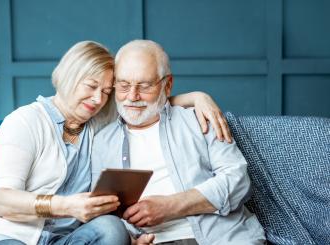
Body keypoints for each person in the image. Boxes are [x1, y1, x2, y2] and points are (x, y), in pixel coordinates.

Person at [0, 41, 232, 245]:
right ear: (68, 77)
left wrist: (197, 97)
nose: (98, 99)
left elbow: (141, 102)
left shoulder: (97, 121)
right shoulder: (26, 121)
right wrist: (66, 207)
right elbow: (2, 200)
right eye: (90, 86)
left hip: (62, 240)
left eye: (106, 91)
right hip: (4, 234)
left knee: (112, 228)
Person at [91, 40, 266, 245]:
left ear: (168, 85)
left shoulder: (199, 119)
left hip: (220, 237)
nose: (132, 96)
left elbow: (238, 181)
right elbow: (103, 211)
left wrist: (171, 206)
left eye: (145, 86)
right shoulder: (102, 141)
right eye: (123, 85)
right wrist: (129, 240)